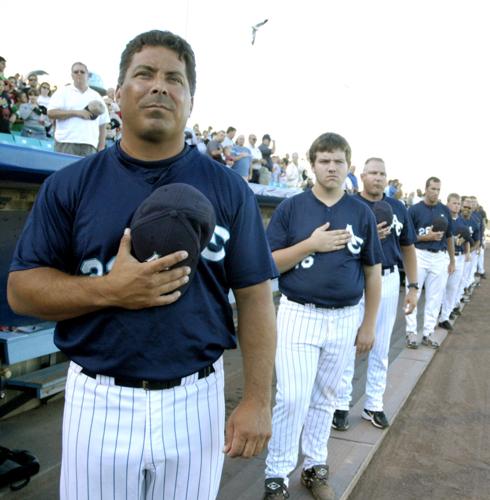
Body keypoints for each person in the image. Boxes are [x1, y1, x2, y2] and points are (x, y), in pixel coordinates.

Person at [8, 29, 277, 500]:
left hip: (197, 398)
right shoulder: (70, 185)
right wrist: (111, 290)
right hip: (99, 395)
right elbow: (22, 291)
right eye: (144, 74)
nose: (159, 86)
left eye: (175, 79)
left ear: (191, 101)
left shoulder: (230, 189)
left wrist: (257, 399)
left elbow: (255, 296)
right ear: (117, 95)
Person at [263, 132, 382, 499]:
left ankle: (315, 466)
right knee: (292, 396)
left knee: (326, 397)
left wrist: (369, 324)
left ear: (349, 167)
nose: (331, 167)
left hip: (346, 316)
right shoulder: (293, 207)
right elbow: (268, 263)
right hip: (300, 312)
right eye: (324, 160)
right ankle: (277, 474)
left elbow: (372, 271)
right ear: (313, 164)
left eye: (338, 161)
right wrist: (310, 245)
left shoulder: (360, 211)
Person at [334, 157, 418, 431]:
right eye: (372, 173)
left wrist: (413, 287)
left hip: (389, 277)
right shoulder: (348, 204)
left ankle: (374, 404)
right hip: (354, 276)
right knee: (348, 343)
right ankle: (340, 404)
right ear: (362, 175)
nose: (378, 178)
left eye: (382, 173)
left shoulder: (397, 207)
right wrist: (371, 238)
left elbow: (407, 247)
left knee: (380, 345)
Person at [405, 176, 455, 349]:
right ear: (425, 189)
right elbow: (408, 238)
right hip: (419, 254)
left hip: (439, 256)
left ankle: (427, 333)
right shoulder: (414, 210)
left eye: (438, 189)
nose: (435, 192)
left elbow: (449, 237)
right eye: (432, 188)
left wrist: (452, 260)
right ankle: (411, 332)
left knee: (435, 297)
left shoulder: (444, 210)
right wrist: (426, 237)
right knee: (413, 293)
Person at [47, 61, 109, 156]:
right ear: (72, 75)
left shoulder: (96, 96)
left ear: (87, 75)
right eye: (76, 72)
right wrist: (77, 113)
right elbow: (51, 113)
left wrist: (101, 147)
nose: (79, 74)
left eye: (82, 72)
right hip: (66, 142)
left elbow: (103, 124)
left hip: (89, 145)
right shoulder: (62, 92)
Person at [438, 193, 469, 330]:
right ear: (447, 203)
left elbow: (468, 240)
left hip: (459, 256)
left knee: (452, 287)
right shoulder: (442, 219)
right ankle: (438, 311)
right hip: (444, 255)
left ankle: (445, 316)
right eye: (454, 203)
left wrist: (467, 252)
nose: (456, 206)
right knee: (440, 287)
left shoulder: (463, 222)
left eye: (458, 203)